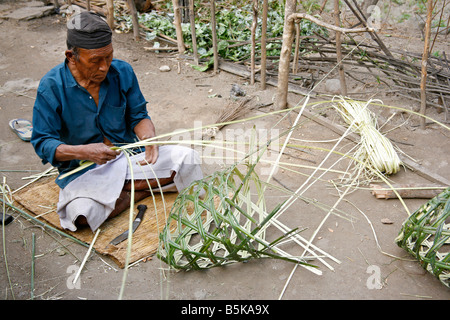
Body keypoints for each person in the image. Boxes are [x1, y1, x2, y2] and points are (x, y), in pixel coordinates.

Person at [31, 11, 202, 232]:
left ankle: (123, 193)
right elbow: (43, 144)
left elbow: (138, 116)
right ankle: (141, 190)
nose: (104, 66)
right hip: (85, 170)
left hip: (131, 160)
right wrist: (85, 152)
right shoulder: (51, 87)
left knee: (188, 159)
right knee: (80, 215)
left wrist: (149, 136)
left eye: (108, 57)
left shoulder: (122, 72)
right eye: (95, 61)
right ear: (71, 56)